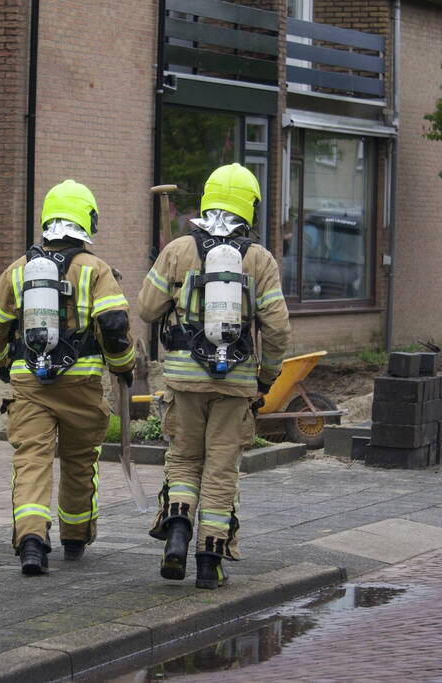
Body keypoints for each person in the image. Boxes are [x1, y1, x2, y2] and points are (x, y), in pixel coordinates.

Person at [137, 163, 290, 589]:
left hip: (184, 381)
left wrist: (163, 273)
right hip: (236, 383)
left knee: (184, 460)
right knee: (221, 470)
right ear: (250, 207)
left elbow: (147, 310)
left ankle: (177, 536)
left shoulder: (179, 250)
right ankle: (210, 562)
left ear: (208, 199)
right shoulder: (259, 259)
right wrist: (267, 377)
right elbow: (277, 329)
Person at [0, 179, 135, 575]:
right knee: (81, 461)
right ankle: (75, 537)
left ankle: (32, 540)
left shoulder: (19, 269)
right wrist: (122, 366)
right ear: (86, 221)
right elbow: (114, 324)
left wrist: (1, 362)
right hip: (81, 385)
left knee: (32, 460)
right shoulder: (95, 270)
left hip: (29, 383)